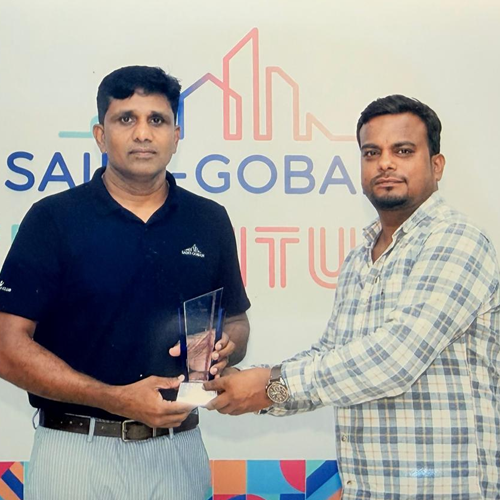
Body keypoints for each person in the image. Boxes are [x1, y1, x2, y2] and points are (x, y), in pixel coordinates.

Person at [205, 95, 500, 499]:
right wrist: (247, 383)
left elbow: (395, 358)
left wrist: (271, 385)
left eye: (403, 151)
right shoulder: (361, 257)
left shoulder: (457, 241)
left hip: (442, 488)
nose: (385, 164)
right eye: (371, 153)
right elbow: (332, 354)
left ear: (437, 165)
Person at [0, 65, 250, 500]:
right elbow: (6, 346)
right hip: (76, 451)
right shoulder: (53, 219)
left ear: (176, 136)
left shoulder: (209, 220)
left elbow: (237, 322)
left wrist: (228, 345)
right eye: (126, 119)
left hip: (178, 449)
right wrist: (113, 398)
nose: (143, 133)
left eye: (157, 120)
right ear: (101, 135)